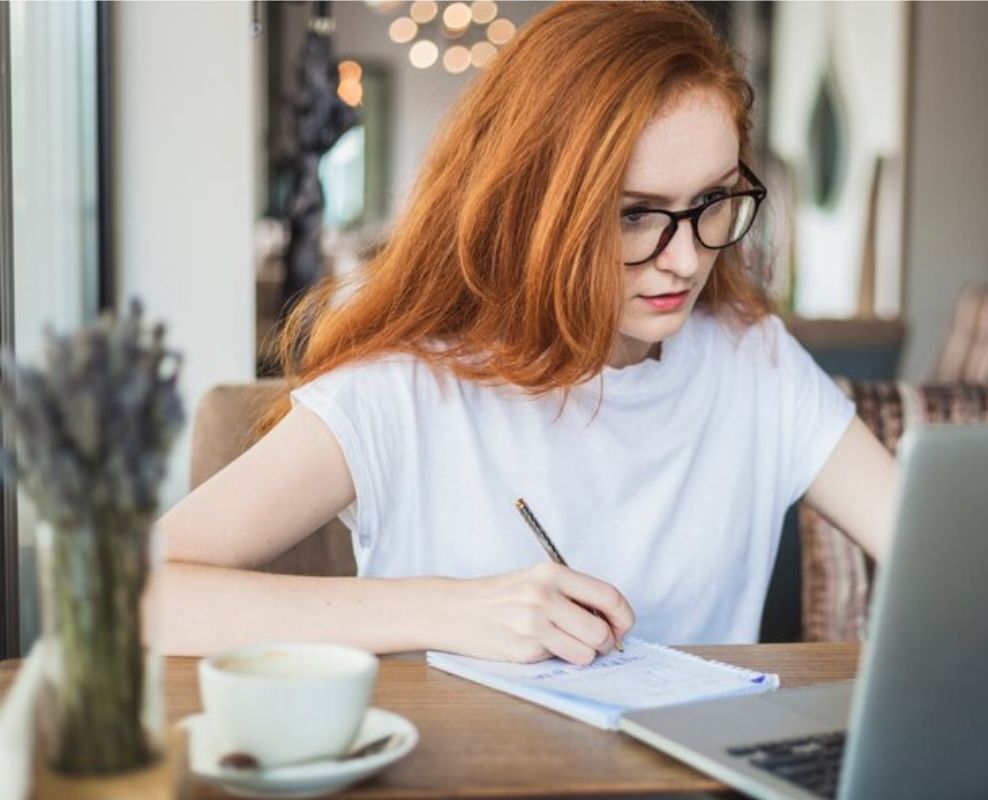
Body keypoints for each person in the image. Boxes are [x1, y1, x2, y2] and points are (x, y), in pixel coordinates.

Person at [158, 1, 897, 665]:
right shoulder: (401, 390)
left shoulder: (754, 362)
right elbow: (142, 595)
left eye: (711, 201)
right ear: (533, 208)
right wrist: (448, 608)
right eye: (635, 214)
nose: (688, 257)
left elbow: (936, 557)